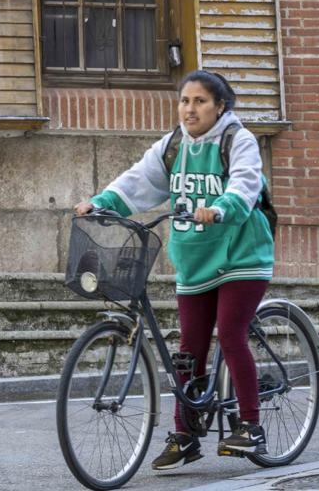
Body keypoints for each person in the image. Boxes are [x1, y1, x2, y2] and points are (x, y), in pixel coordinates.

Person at [74, 70, 274, 469]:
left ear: (220, 106)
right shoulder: (174, 145)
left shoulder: (240, 141)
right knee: (188, 351)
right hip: (194, 259)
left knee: (231, 333)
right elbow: (139, 181)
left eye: (200, 101)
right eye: (185, 100)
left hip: (241, 257)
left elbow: (245, 185)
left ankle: (251, 426)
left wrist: (220, 208)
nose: (190, 108)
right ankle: (185, 435)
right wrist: (101, 203)